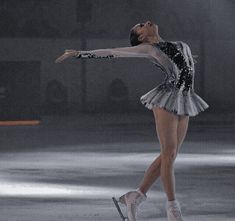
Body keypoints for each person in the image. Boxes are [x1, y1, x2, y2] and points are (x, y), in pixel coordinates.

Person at [55, 20, 209, 221]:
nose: (145, 23)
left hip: (186, 98)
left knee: (169, 155)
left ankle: (134, 196)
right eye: (140, 26)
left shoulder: (182, 45)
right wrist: (79, 54)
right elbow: (112, 51)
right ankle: (173, 210)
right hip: (167, 98)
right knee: (169, 154)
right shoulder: (148, 48)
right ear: (141, 37)